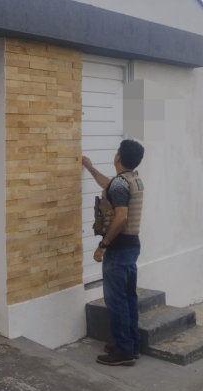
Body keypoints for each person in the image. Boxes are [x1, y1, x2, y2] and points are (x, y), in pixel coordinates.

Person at [82, 139, 145, 367]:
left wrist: (103, 245)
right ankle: (131, 345)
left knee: (116, 301)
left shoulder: (120, 184)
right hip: (131, 247)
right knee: (128, 299)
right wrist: (90, 168)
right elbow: (108, 185)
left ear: (118, 157)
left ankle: (123, 351)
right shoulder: (133, 180)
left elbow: (121, 217)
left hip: (118, 250)